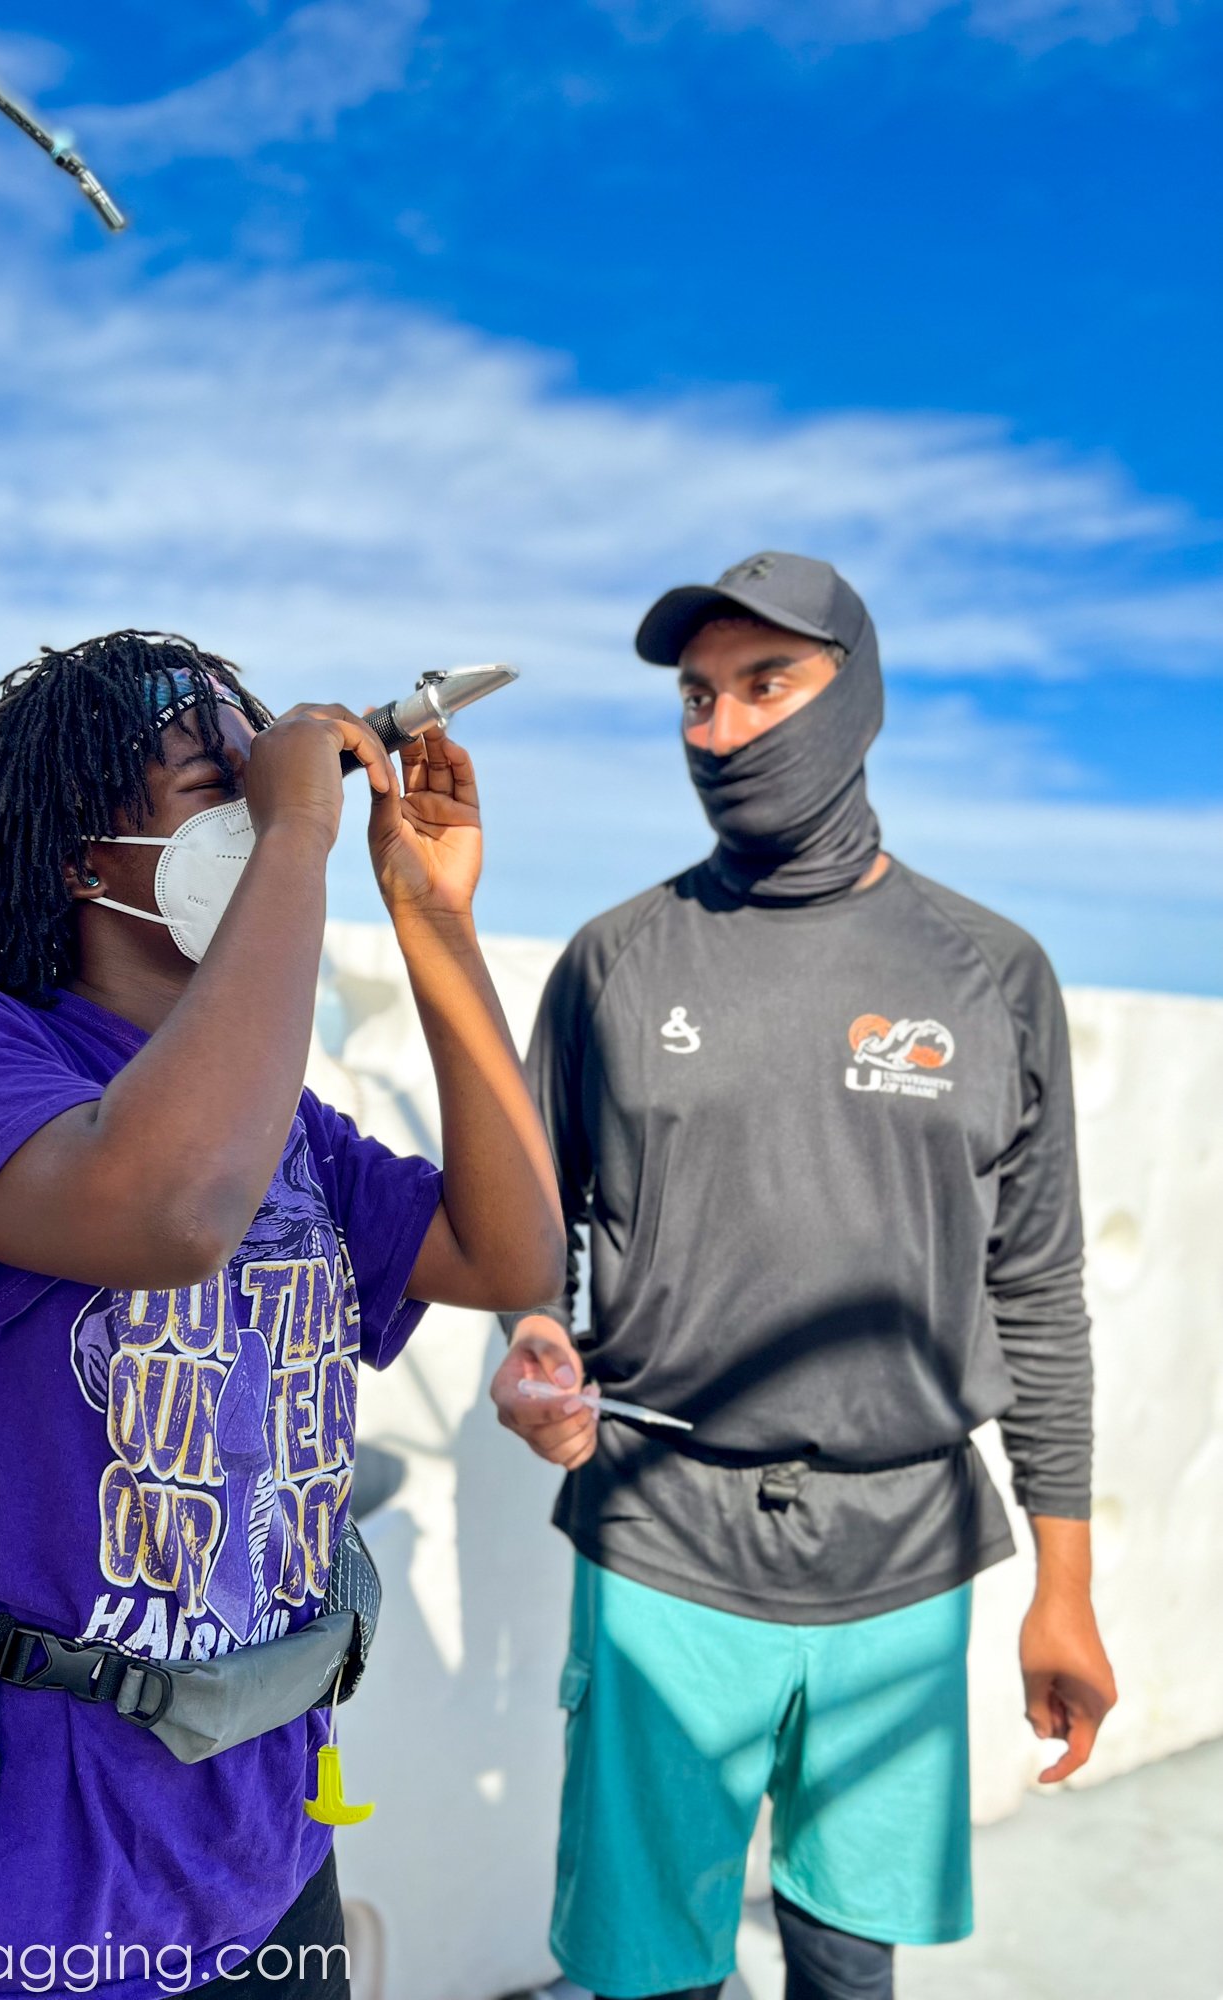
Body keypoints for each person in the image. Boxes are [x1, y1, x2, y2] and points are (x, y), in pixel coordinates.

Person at [0, 632, 563, 2000]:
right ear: (83, 858)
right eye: (220, 783)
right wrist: (299, 836)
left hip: (254, 1842)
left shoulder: (295, 1130)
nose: (268, 805)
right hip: (4, 1858)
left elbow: (511, 1257)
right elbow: (170, 1209)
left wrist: (432, 921)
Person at [491, 554, 1117, 2000]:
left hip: (906, 1557)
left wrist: (1065, 1589)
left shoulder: (993, 973)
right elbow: (533, 1244)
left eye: (766, 684)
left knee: (848, 1959)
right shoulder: (611, 964)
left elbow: (1039, 1288)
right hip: (659, 1543)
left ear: (861, 697)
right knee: (651, 1976)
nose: (721, 730)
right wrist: (537, 1347)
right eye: (698, 697)